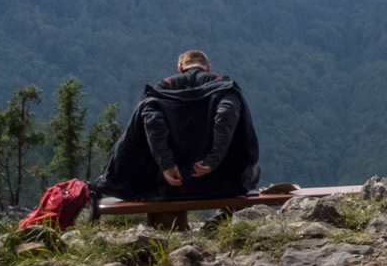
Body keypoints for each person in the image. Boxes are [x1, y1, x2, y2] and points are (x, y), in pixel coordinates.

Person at [92, 50, 262, 200]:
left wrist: (167, 165)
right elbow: (225, 117)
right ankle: (222, 221)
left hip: (166, 186)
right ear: (207, 67)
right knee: (252, 170)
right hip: (220, 186)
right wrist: (212, 161)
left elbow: (153, 124)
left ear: (180, 67)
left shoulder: (160, 91)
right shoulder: (225, 88)